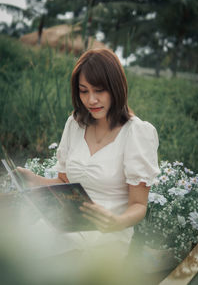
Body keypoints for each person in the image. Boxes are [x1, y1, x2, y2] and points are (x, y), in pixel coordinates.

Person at [18, 48, 160, 260]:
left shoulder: (137, 133)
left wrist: (117, 222)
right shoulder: (75, 124)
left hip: (107, 236)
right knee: (21, 255)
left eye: (99, 90)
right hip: (66, 227)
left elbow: (139, 205)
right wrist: (34, 181)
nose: (91, 100)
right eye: (84, 91)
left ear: (115, 87)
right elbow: (64, 182)